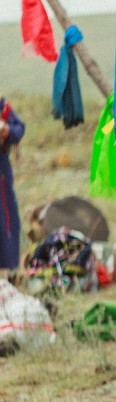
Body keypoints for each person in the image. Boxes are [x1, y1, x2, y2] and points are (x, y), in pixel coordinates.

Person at [0, 96, 24, 275]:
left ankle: (9, 269)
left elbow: (19, 127)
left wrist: (7, 130)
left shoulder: (2, 105)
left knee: (6, 219)